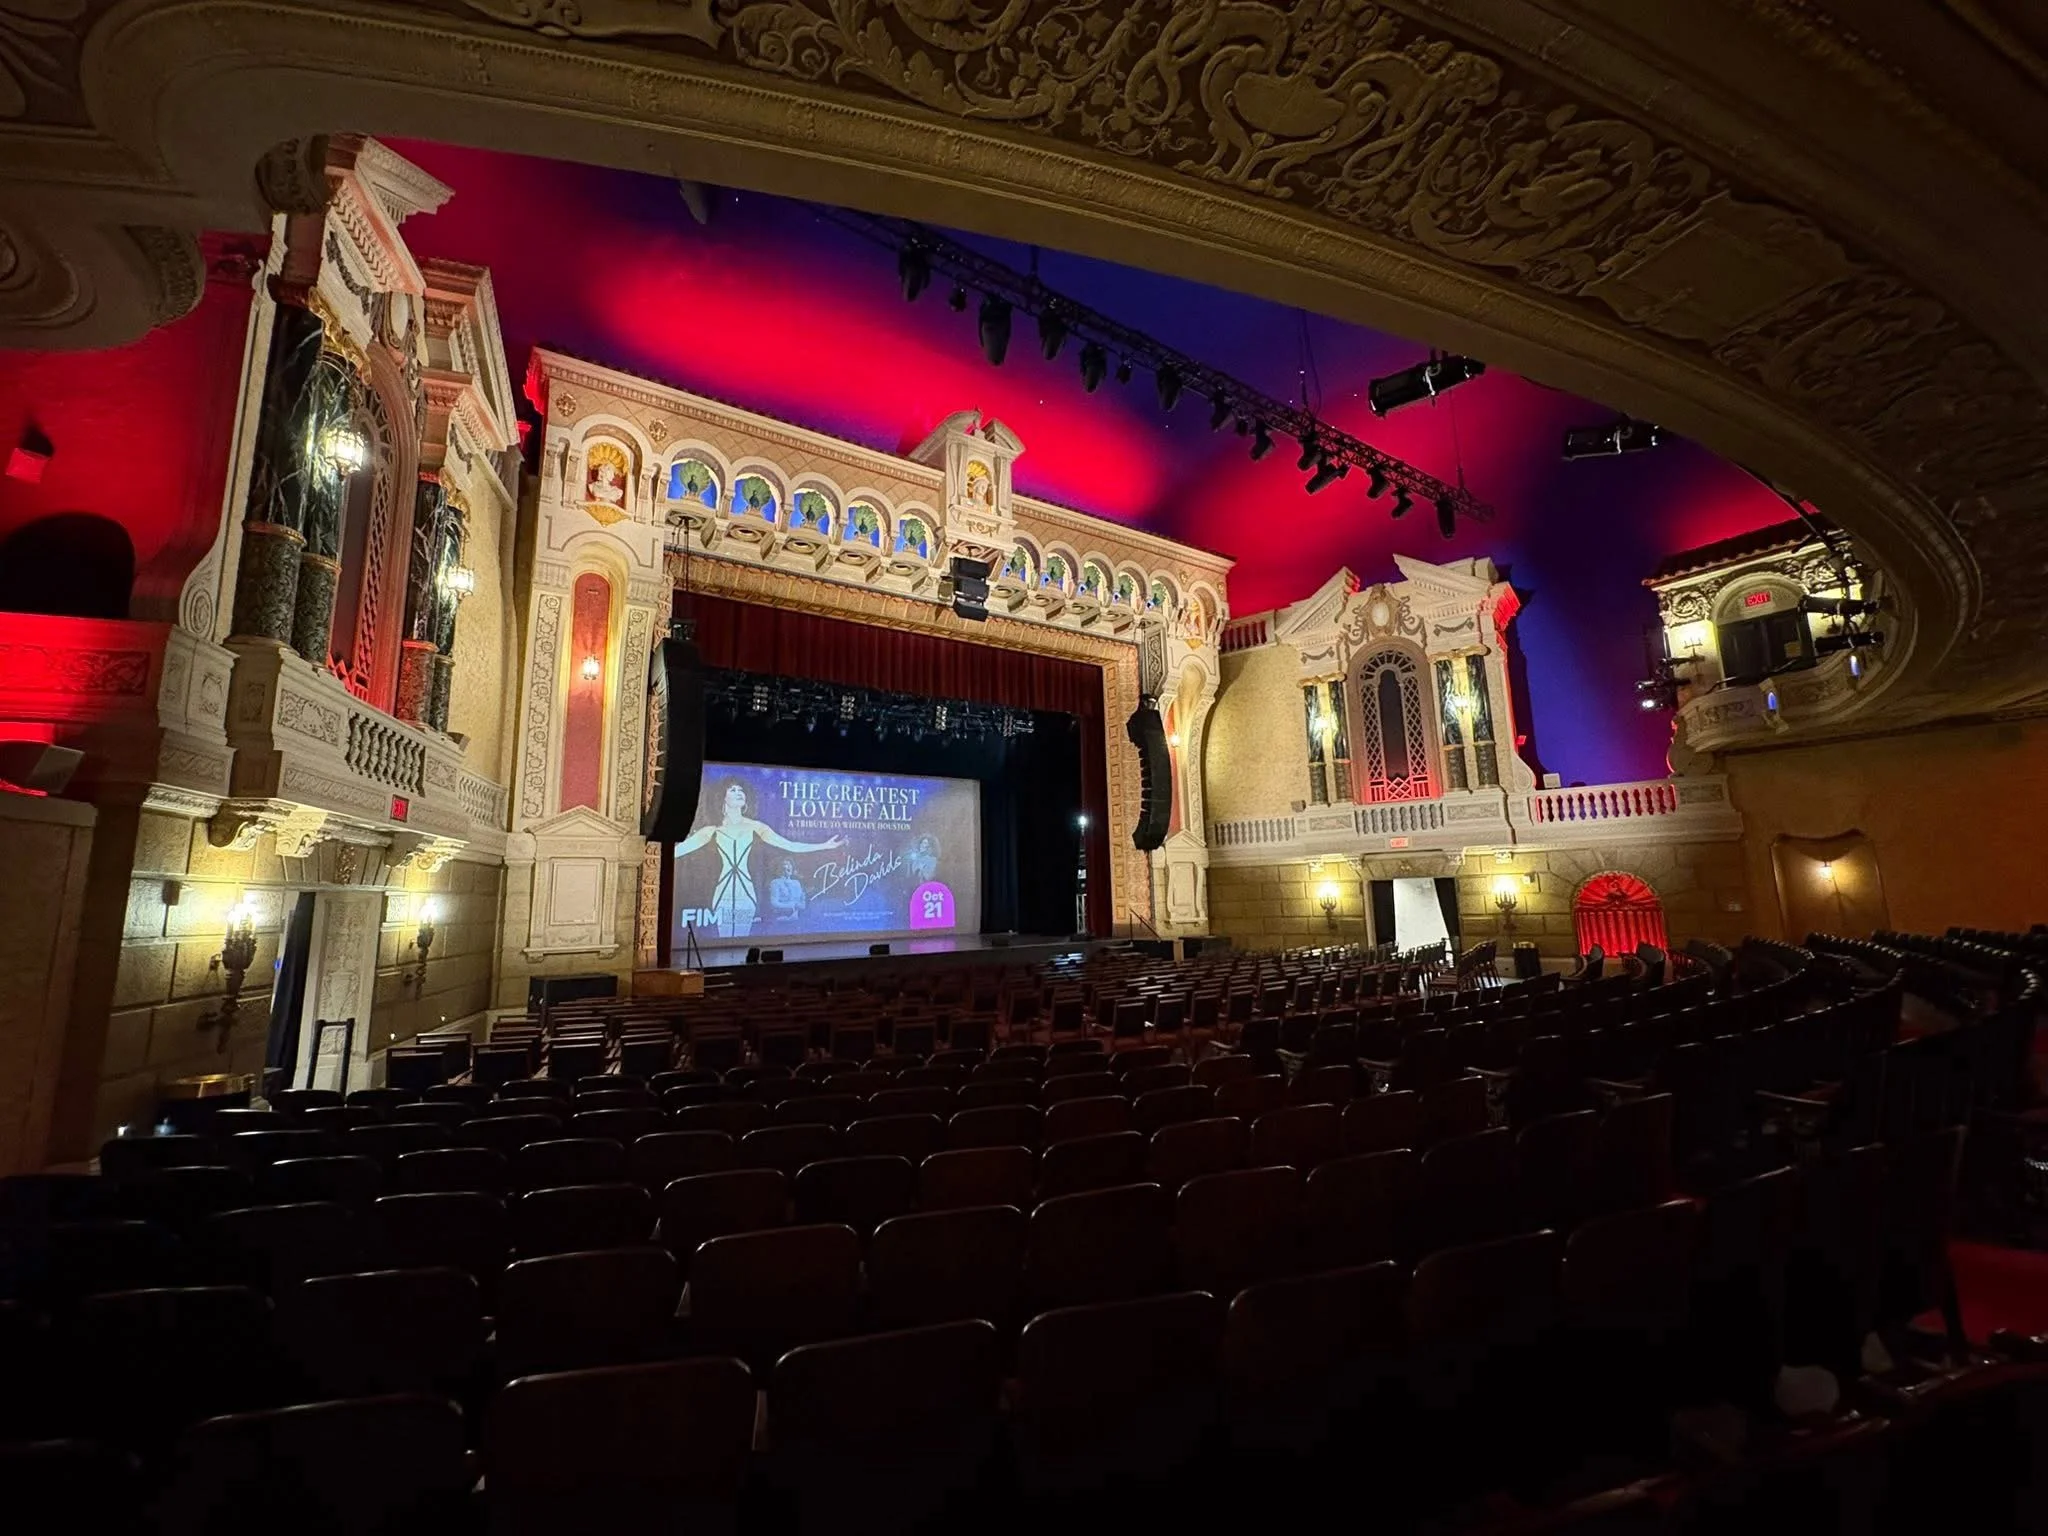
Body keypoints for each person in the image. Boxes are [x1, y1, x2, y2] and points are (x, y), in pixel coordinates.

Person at [675, 780, 843, 938]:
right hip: (723, 890)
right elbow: (677, 852)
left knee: (741, 938)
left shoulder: (756, 827)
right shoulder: (711, 830)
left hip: (746, 891)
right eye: (733, 790)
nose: (739, 792)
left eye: (741, 790)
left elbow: (790, 845)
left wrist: (824, 846)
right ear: (723, 798)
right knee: (725, 935)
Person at [769, 858, 806, 923]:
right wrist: (791, 906)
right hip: (781, 918)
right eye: (785, 864)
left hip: (797, 919)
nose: (788, 867)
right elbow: (774, 903)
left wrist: (800, 905)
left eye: (790, 865)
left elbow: (802, 903)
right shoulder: (775, 882)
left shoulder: (797, 883)